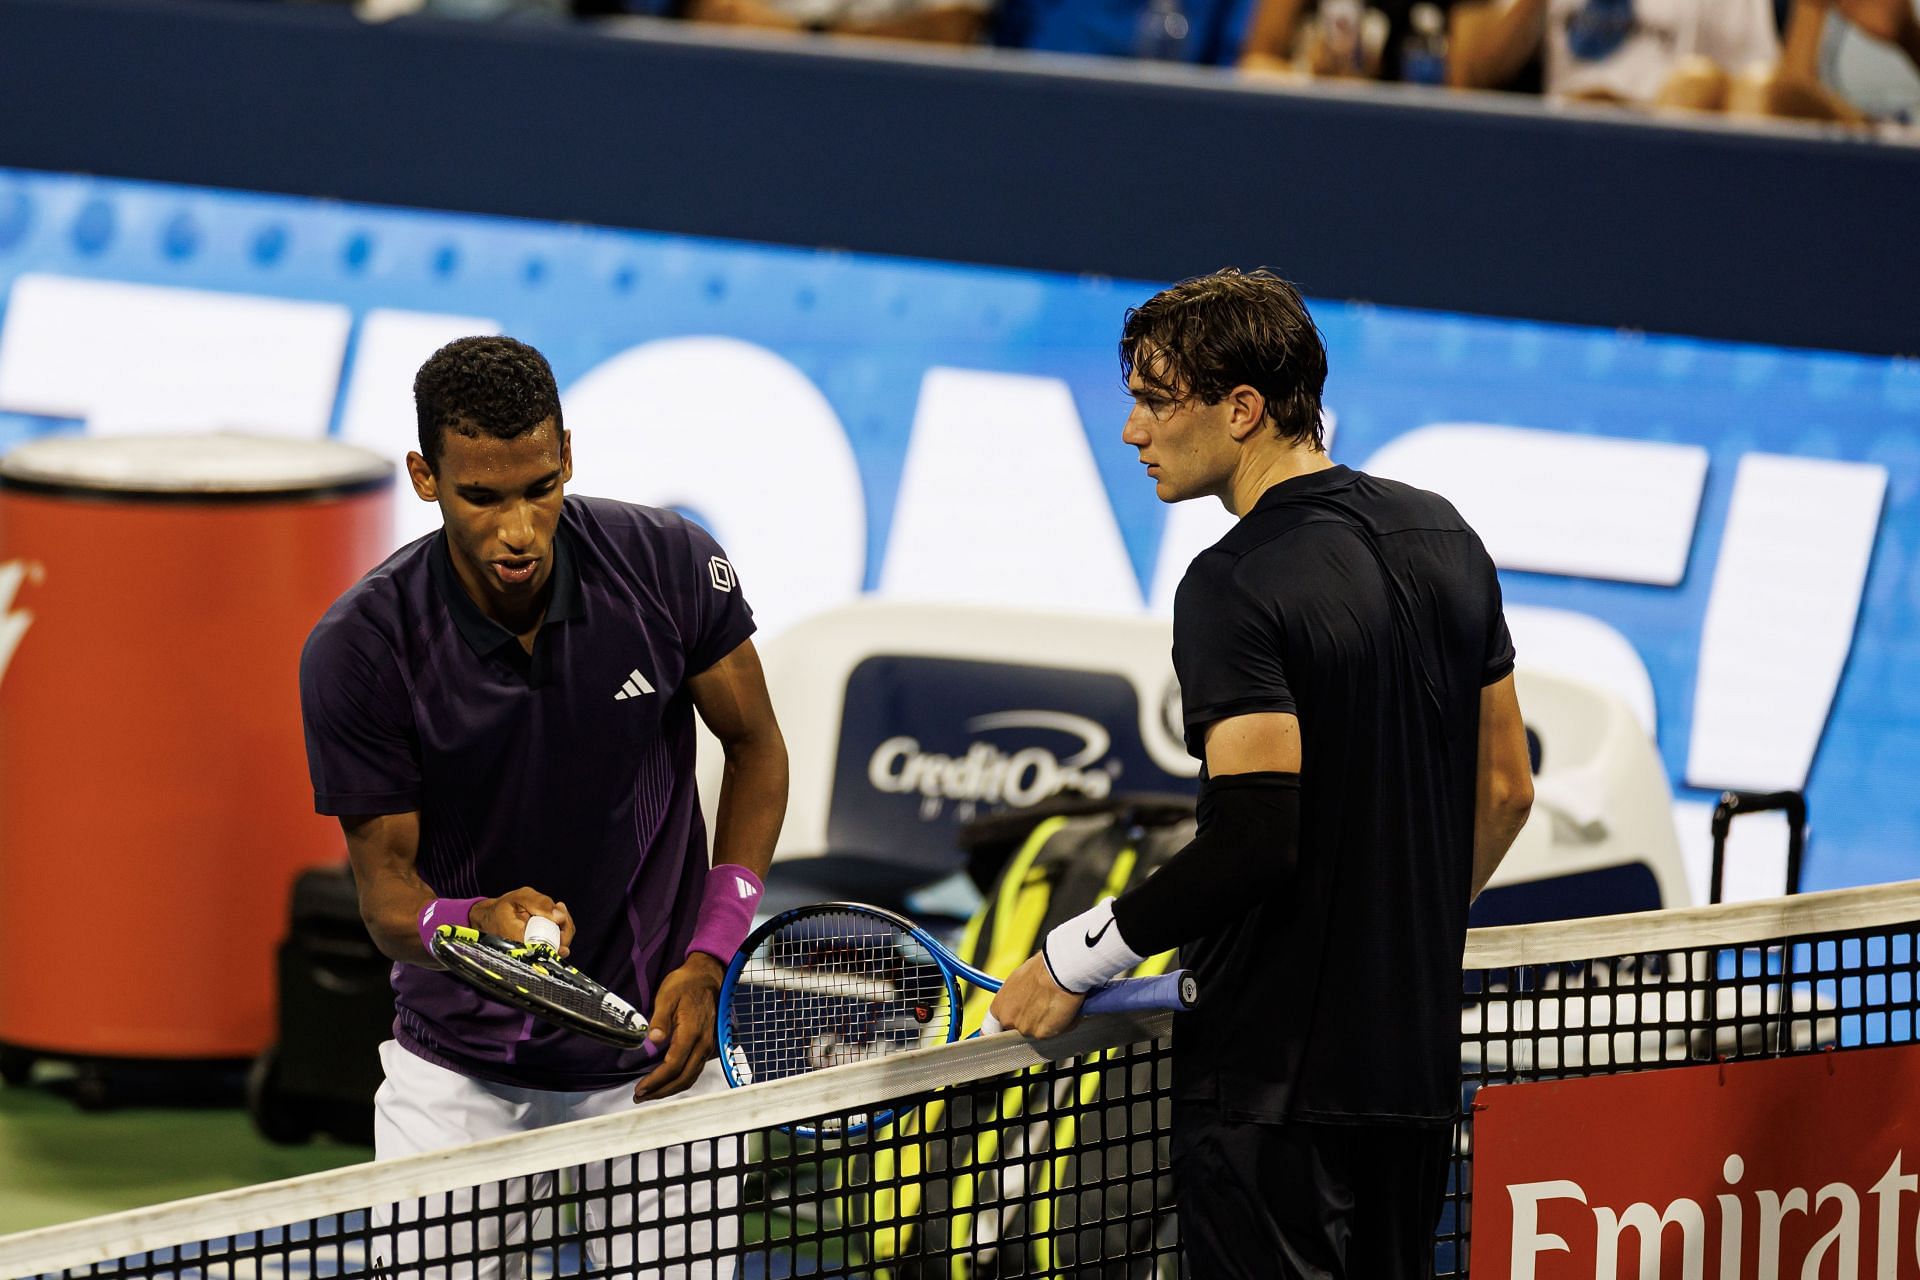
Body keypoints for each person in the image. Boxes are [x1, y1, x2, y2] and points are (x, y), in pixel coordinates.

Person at [987, 269, 1535, 1279]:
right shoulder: (1448, 537)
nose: (1132, 430)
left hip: (1272, 1093)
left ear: (1241, 408)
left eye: (1156, 400)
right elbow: (1507, 788)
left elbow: (1254, 837)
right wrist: (1400, 933)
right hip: (1412, 1076)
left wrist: (1078, 955)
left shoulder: (1230, 584)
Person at [299, 336, 789, 1278]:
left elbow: (757, 747)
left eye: (539, 487)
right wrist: (473, 920)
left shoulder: (667, 565)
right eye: (482, 497)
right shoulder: (361, 648)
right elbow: (388, 902)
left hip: (659, 1051)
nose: (518, 529)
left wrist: (710, 951)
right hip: (457, 1072)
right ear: (425, 477)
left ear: (568, 452)